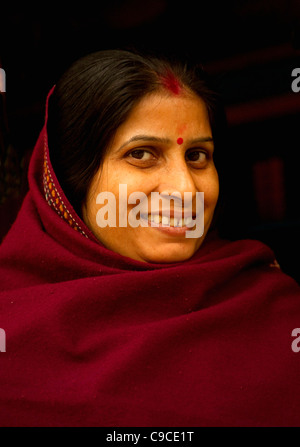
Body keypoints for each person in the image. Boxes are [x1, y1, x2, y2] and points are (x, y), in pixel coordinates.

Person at [0, 49, 299, 427]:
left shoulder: (270, 306)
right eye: (142, 153)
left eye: (197, 156)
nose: (185, 189)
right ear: (68, 179)